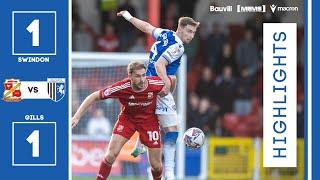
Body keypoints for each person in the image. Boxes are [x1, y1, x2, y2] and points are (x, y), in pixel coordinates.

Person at [117, 10, 199, 180]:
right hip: (158, 87)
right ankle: (169, 172)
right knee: (173, 131)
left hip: (146, 85)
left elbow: (146, 27)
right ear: (181, 28)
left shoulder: (165, 34)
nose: (191, 36)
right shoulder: (178, 47)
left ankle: (141, 143)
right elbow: (161, 65)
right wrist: (167, 85)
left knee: (153, 120)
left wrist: (128, 17)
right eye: (189, 31)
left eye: (194, 32)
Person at [72, 61, 175, 180]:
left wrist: (167, 94)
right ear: (130, 76)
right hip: (128, 120)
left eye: (143, 75)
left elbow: (173, 79)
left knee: (156, 166)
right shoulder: (122, 87)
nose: (142, 79)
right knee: (111, 155)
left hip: (149, 122)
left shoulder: (154, 83)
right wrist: (76, 117)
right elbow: (94, 96)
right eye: (137, 76)